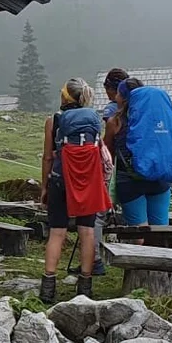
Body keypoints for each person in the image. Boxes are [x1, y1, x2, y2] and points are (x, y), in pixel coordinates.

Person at [38, 78, 109, 303]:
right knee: (86, 232)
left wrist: (44, 186)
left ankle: (48, 287)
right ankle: (85, 288)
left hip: (60, 180)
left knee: (57, 232)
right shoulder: (95, 120)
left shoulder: (54, 120)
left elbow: (48, 156)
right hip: (88, 182)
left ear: (65, 97)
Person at [110, 76, 172, 226]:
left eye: (119, 94)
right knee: (159, 231)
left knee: (137, 233)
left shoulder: (116, 121)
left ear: (124, 98)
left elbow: (108, 152)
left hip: (130, 181)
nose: (116, 97)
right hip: (159, 178)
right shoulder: (159, 118)